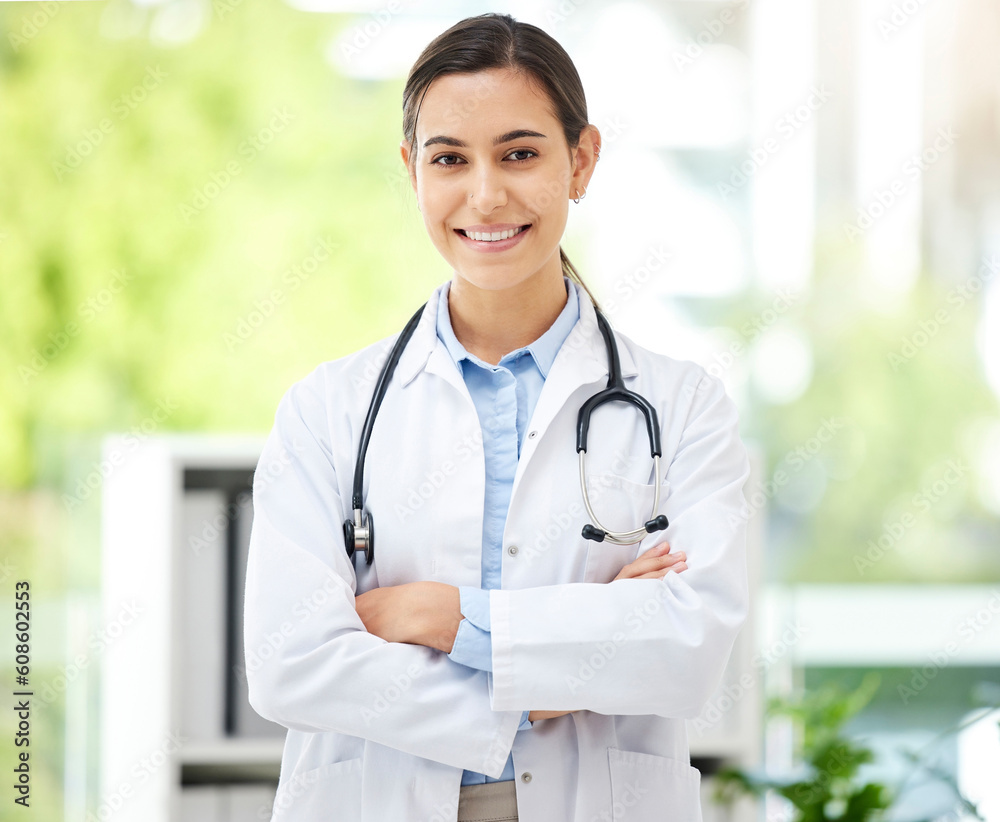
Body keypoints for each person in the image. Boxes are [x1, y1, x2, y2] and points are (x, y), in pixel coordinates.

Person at [243, 12, 750, 822]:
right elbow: (290, 663)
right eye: (450, 158)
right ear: (412, 170)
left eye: (520, 153)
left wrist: (439, 616)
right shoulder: (327, 411)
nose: (486, 194)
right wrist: (547, 682)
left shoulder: (683, 407)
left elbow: (686, 651)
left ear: (580, 161)